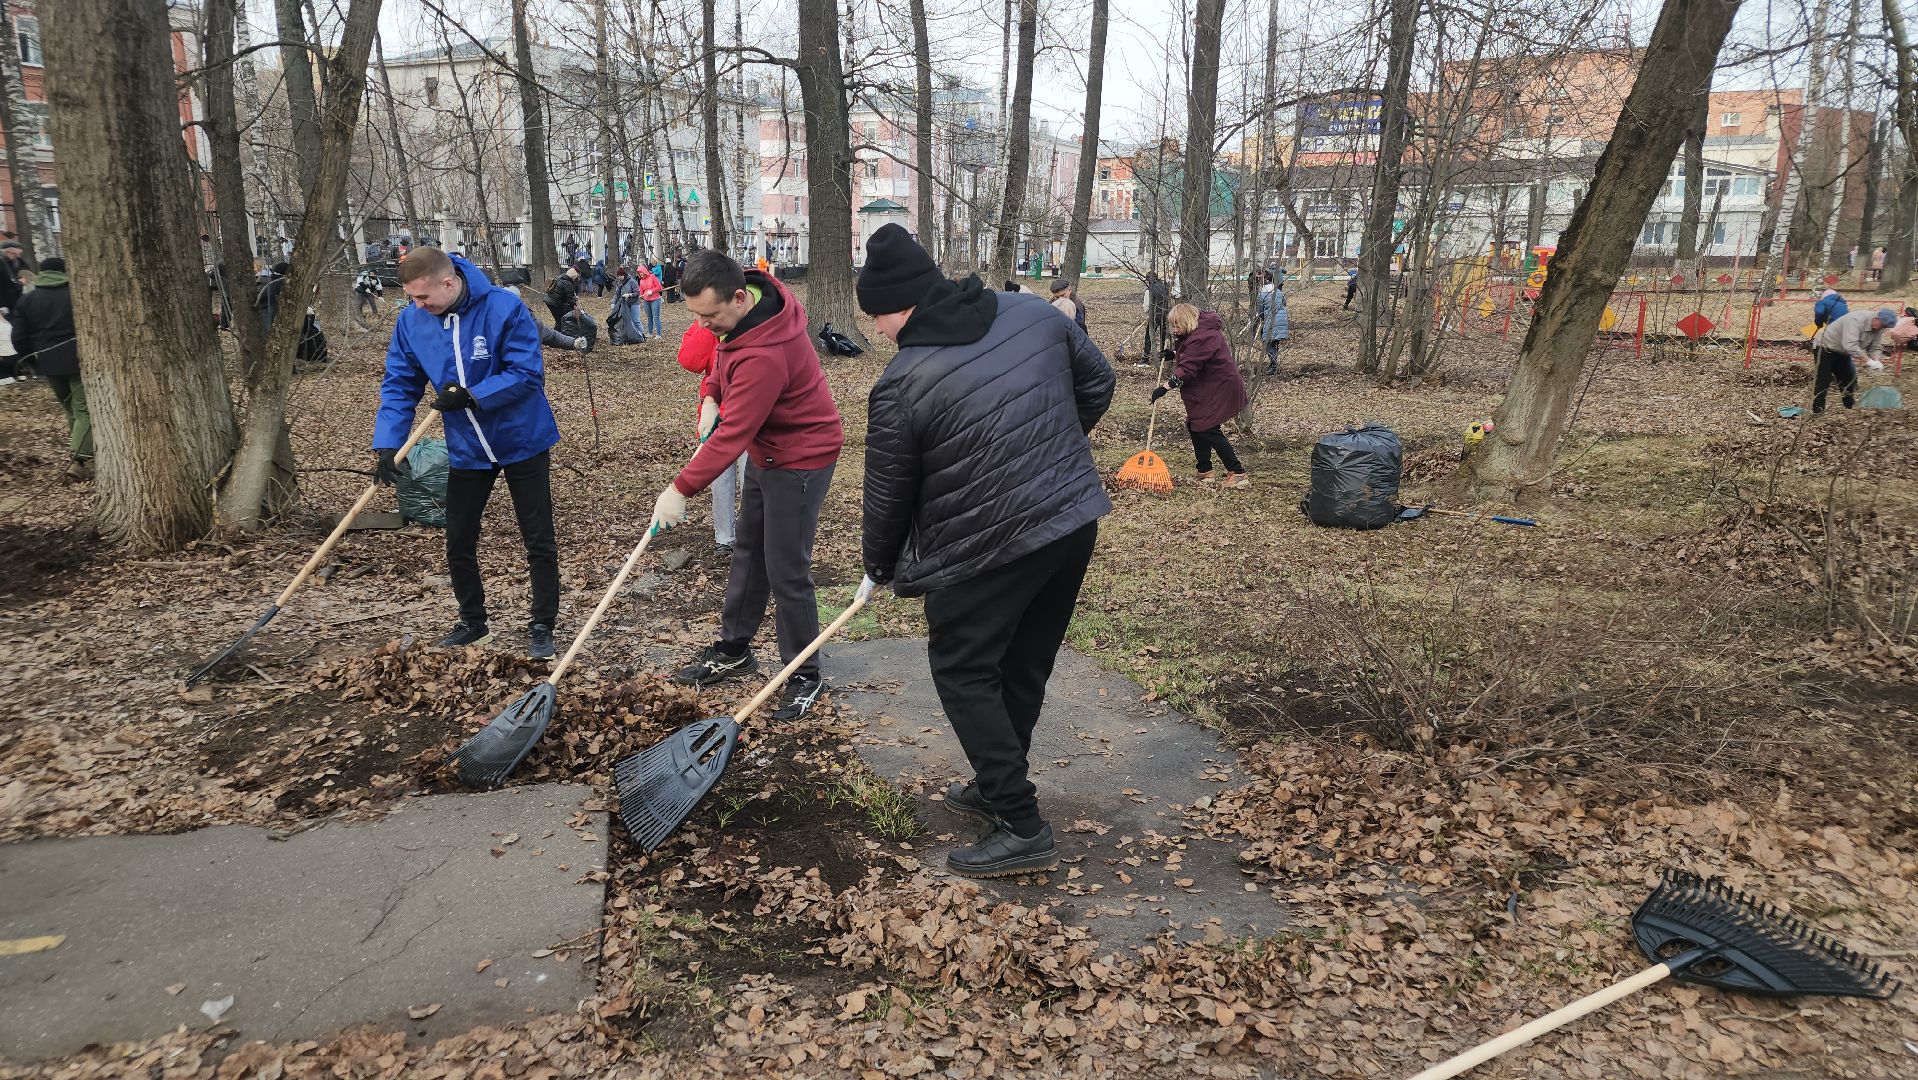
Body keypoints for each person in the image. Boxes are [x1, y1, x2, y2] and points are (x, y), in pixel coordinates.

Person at [856, 223, 1114, 878]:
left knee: (963, 668)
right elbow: (1099, 383)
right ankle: (998, 785)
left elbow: (888, 493)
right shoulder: (1034, 314)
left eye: (876, 316)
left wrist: (878, 564)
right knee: (1023, 661)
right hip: (1071, 522)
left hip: (990, 545)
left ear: (902, 305)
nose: (876, 330)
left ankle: (1021, 825)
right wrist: (1050, 455)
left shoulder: (902, 382)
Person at [650, 250, 844, 721]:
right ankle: (735, 649)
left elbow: (732, 435)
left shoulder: (766, 354)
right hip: (767, 451)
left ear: (738, 298)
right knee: (748, 551)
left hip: (800, 459)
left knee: (786, 570)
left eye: (710, 316)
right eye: (697, 316)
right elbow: (721, 356)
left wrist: (679, 489)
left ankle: (804, 673)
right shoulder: (743, 316)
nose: (704, 326)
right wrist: (711, 395)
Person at [374, 247, 563, 660]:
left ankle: (542, 624)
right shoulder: (412, 322)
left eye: (423, 297)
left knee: (538, 537)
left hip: (521, 439)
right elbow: (400, 382)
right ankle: (473, 623)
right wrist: (388, 442)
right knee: (458, 536)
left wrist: (473, 395)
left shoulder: (503, 307)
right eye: (411, 298)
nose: (417, 305)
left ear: (449, 282)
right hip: (467, 447)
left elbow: (527, 373)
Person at [1155, 302, 1249, 488]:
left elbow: (1189, 368)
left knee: (1207, 427)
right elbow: (1191, 352)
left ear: (1187, 321)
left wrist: (1164, 387)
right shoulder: (1197, 333)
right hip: (1208, 386)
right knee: (1195, 424)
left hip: (1220, 386)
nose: (1175, 330)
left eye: (1177, 325)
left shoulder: (1204, 336)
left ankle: (1238, 472)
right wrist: (1174, 353)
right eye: (1173, 325)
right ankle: (1205, 470)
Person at [13, 257, 89, 481]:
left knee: (70, 409)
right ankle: (78, 459)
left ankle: (80, 452)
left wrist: (33, 361)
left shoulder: (27, 300)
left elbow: (19, 337)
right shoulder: (76, 295)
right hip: (79, 359)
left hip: (48, 363)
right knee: (83, 410)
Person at [675, 320, 745, 555]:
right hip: (716, 416)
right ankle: (724, 538)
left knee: (752, 480)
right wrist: (705, 324)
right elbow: (690, 360)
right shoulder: (706, 323)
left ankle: (752, 535)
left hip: (749, 415)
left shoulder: (753, 322)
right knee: (720, 480)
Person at [1808, 306, 1894, 414]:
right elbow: (1850, 345)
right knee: (1824, 379)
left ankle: (1849, 407)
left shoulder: (1879, 327)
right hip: (1824, 347)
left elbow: (1875, 346)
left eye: (1885, 327)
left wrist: (1876, 360)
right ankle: (1818, 410)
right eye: (1882, 326)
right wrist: (1868, 361)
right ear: (1877, 318)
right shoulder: (1855, 320)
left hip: (1842, 351)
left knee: (1847, 377)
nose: (1882, 329)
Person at [1256, 271, 1289, 375]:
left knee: (1267, 343)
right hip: (1282, 319)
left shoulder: (1262, 293)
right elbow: (1284, 303)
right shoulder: (1278, 291)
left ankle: (1274, 366)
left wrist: (1263, 318)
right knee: (1274, 342)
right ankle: (1273, 364)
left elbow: (1260, 311)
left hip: (1271, 320)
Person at [607, 267, 644, 345]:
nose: (619, 277)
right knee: (626, 320)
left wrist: (630, 295)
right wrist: (613, 303)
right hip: (625, 304)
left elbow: (637, 293)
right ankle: (631, 336)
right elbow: (617, 294)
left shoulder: (632, 281)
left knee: (635, 320)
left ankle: (641, 335)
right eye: (618, 276)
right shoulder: (620, 283)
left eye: (621, 276)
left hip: (634, 303)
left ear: (624, 275)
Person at [1142, 270, 1170, 363]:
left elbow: (1146, 306)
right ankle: (1164, 358)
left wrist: (1148, 313)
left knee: (1149, 336)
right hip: (1165, 315)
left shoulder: (1149, 289)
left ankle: (1145, 359)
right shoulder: (1166, 285)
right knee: (1163, 337)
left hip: (1154, 316)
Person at [0, 239, 29, 315]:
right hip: (5, 301)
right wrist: (20, 282)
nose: (20, 251)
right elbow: (10, 278)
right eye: (18, 248)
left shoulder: (19, 261)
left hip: (17, 298)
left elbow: (26, 272)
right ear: (9, 251)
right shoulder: (2, 262)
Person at [637, 263, 665, 339]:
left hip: (655, 299)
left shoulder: (652, 277)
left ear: (644, 271)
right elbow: (641, 292)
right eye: (639, 273)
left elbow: (659, 287)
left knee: (656, 317)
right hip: (646, 301)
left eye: (641, 272)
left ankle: (658, 334)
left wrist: (652, 291)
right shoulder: (641, 281)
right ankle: (650, 333)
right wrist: (640, 295)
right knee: (649, 317)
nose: (641, 274)